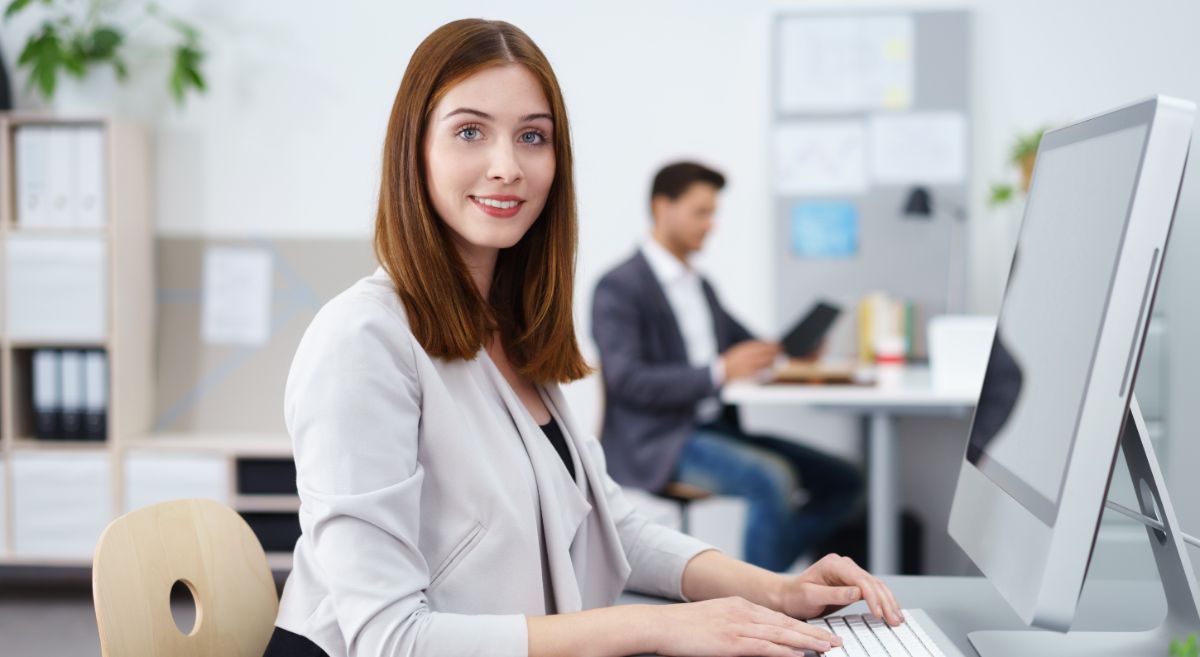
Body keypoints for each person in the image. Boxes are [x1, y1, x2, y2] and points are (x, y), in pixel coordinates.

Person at [264, 19, 900, 657]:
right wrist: (660, 625)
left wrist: (778, 592)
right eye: (469, 131)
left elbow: (612, 526)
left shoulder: (511, 331)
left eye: (532, 137)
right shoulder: (362, 340)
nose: (507, 166)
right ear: (414, 150)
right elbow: (391, 639)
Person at [592, 161, 864, 572]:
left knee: (845, 480)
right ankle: (762, 599)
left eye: (713, 213)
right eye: (702, 212)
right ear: (663, 208)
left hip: (715, 428)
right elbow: (627, 379)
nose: (712, 224)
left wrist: (789, 352)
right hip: (658, 440)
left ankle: (760, 578)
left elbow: (747, 346)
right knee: (771, 480)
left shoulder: (700, 285)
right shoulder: (619, 287)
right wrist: (718, 372)